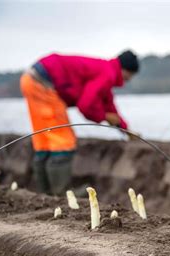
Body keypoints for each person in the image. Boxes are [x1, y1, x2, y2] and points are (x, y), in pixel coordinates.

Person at [20, 50, 139, 196]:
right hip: (45, 84)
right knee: (63, 140)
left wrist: (125, 129)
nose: (129, 80)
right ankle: (61, 194)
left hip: (30, 79)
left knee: (44, 140)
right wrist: (104, 116)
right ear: (126, 71)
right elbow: (86, 105)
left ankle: (45, 194)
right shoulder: (108, 74)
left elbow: (108, 104)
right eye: (130, 76)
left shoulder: (105, 69)